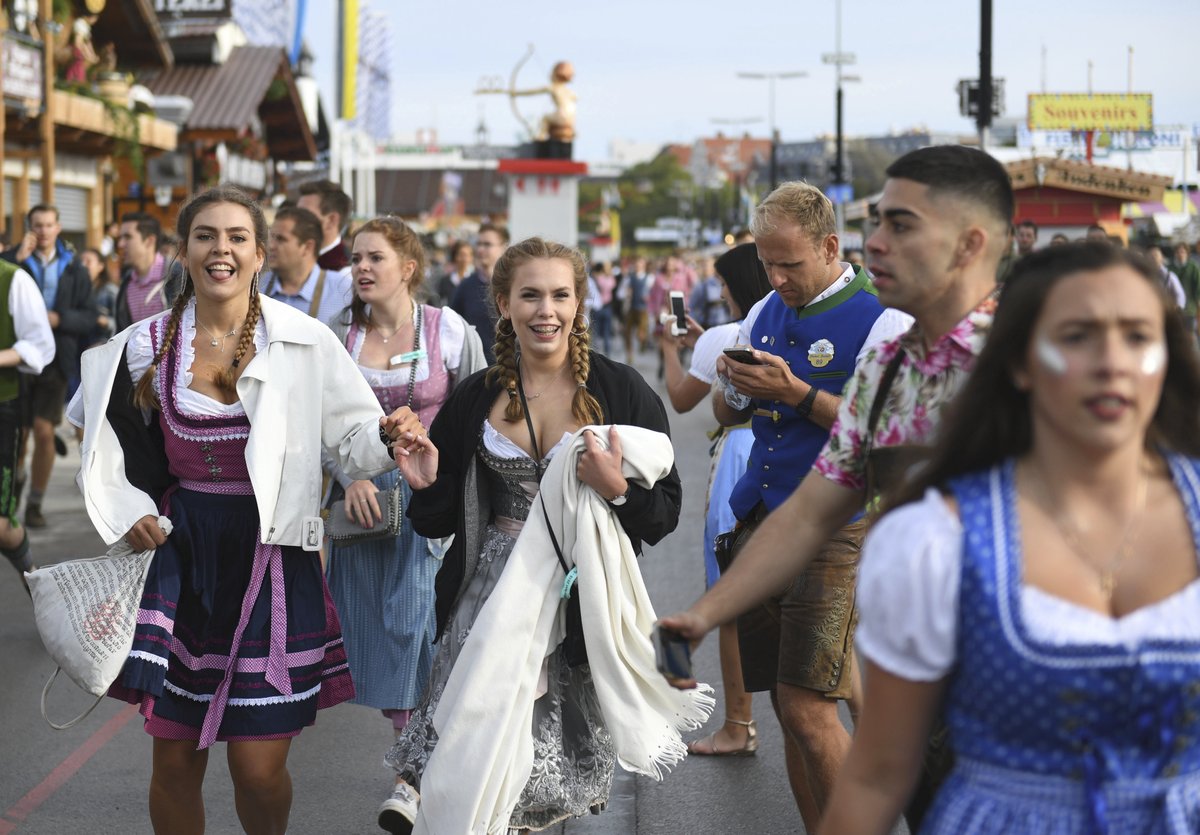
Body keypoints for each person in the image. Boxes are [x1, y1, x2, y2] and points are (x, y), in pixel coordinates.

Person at [660, 144, 1014, 830]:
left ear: (970, 243)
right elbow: (822, 498)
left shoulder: (1029, 356)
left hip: (1011, 667)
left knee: (815, 710)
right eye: (877, 222)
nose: (875, 242)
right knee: (815, 720)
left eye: (899, 225)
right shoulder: (892, 357)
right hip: (911, 632)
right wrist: (701, 615)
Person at [67, 186, 425, 835]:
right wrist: (127, 510)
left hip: (272, 559)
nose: (221, 249)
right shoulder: (145, 345)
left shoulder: (303, 340)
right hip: (180, 559)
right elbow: (101, 448)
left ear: (260, 253)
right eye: (205, 235)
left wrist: (387, 437)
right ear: (183, 250)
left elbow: (351, 437)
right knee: (175, 759)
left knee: (258, 769)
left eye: (237, 237)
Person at [820, 243, 1200, 834]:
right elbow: (877, 773)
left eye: (1138, 337)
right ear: (1020, 362)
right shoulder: (934, 541)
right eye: (1077, 336)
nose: (1113, 362)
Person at [381, 237, 683, 834]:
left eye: (560, 295)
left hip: (577, 591)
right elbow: (440, 518)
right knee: (476, 749)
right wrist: (424, 482)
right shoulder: (476, 395)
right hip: (489, 588)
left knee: (538, 777)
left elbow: (666, 511)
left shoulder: (621, 391)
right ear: (503, 303)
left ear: (578, 303)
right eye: (530, 295)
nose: (546, 310)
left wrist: (616, 487)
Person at [703, 181, 909, 829]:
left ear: (829, 244)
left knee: (805, 705)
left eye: (790, 262)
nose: (776, 275)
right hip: (762, 521)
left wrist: (794, 391)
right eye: (767, 261)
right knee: (789, 711)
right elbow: (718, 410)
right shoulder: (763, 307)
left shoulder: (884, 319)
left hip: (834, 525)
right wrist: (735, 387)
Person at [320, 217, 485, 819]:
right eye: (355, 259)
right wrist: (351, 474)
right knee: (383, 636)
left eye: (374, 258)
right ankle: (418, 758)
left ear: (407, 268)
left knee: (419, 625)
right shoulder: (333, 336)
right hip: (363, 507)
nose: (361, 268)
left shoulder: (449, 332)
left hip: (432, 502)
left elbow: (478, 413)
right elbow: (314, 420)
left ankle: (412, 775)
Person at [659, 242, 772, 757]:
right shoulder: (779, 323)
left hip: (740, 455)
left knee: (729, 590)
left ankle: (738, 723)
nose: (720, 291)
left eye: (724, 283)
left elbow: (682, 397)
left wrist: (669, 347)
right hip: (790, 450)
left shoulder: (726, 337)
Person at [1, 204, 95, 529]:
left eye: (48, 224)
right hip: (18, 359)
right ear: (29, 228)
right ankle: (14, 488)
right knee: (19, 434)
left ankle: (35, 503)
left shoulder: (74, 268)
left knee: (43, 431)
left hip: (56, 359)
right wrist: (15, 258)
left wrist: (60, 319)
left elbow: (90, 316)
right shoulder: (14, 262)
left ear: (58, 228)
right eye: (37, 225)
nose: (42, 231)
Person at [0, 257, 55, 592]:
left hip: (3, 407)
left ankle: (36, 580)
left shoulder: (13, 280)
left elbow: (40, 344)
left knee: (1, 527)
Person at [259, 206, 352, 326]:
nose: (270, 246)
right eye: (271, 237)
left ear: (308, 247)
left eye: (280, 239)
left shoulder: (344, 291)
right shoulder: (256, 286)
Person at [449, 223, 509, 364]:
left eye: (487, 244)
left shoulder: (513, 286)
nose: (480, 249)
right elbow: (451, 327)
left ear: (504, 247)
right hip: (476, 370)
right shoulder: (465, 287)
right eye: (478, 244)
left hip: (510, 368)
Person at [115, 212, 185, 332]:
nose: (120, 244)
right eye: (120, 238)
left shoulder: (177, 276)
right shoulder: (127, 283)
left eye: (128, 237)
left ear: (149, 241)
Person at [297, 179, 353, 273]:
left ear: (331, 220)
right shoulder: (293, 260)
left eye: (304, 214)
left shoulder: (345, 273)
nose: (295, 221)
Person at [620, 255, 652, 363]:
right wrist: (627, 293)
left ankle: (643, 343)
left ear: (644, 265)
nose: (638, 266)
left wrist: (649, 298)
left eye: (640, 263)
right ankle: (630, 354)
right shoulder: (630, 277)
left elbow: (653, 293)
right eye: (637, 264)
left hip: (643, 309)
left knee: (641, 332)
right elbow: (623, 291)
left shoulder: (649, 278)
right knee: (627, 332)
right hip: (632, 307)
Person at [431, 240, 472, 307]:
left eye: (467, 255)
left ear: (471, 258)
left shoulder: (474, 282)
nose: (464, 259)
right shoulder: (445, 281)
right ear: (455, 257)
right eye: (461, 255)